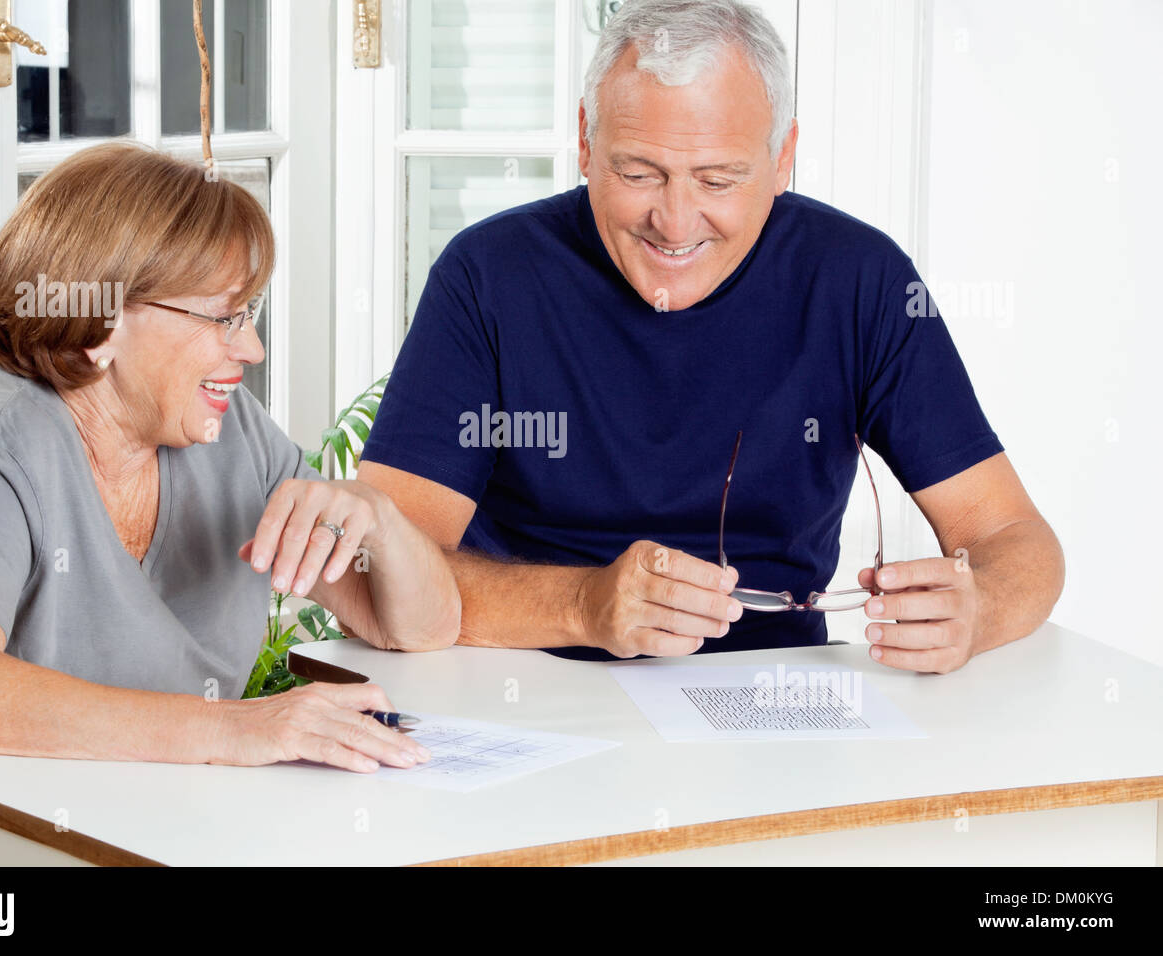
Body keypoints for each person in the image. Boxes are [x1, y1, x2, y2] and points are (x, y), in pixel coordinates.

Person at [357, 0, 1063, 672]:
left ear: (783, 156)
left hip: (773, 690)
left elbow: (1012, 538)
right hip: (525, 681)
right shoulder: (489, 275)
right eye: (639, 172)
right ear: (584, 140)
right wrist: (583, 605)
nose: (675, 220)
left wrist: (981, 609)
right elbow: (384, 563)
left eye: (719, 180)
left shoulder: (859, 279)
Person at [0, 142, 459, 772]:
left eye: (248, 313)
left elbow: (419, 628)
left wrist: (380, 518)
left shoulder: (234, 435)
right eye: (225, 317)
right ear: (101, 326)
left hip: (164, 823)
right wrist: (234, 731)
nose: (252, 349)